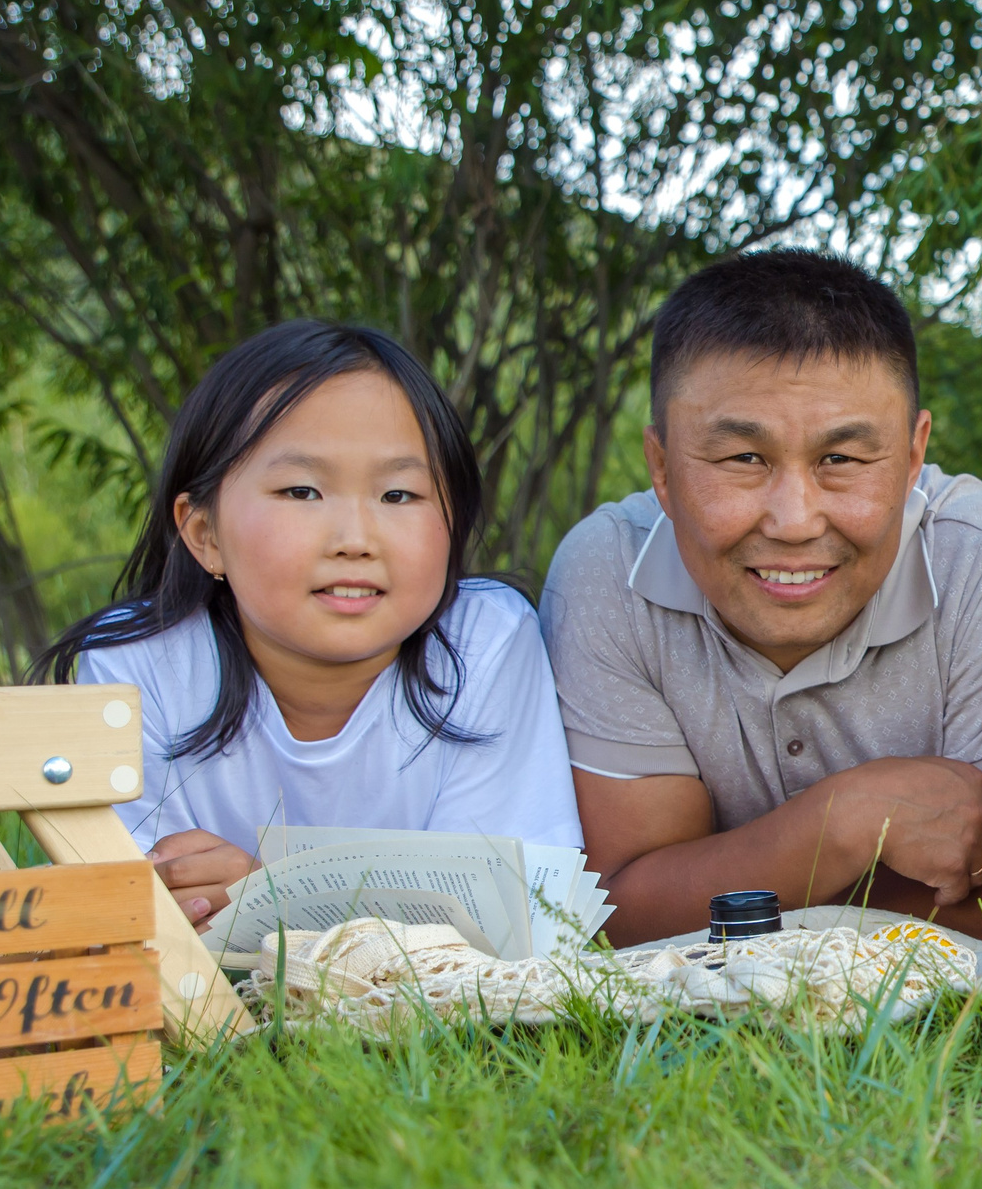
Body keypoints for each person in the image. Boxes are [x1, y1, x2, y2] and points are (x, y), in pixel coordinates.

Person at [541, 250, 982, 945]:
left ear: (912, 456)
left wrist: (719, 883)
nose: (794, 521)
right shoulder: (609, 570)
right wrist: (839, 824)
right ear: (661, 466)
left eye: (840, 459)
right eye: (743, 458)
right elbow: (622, 912)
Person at [35, 320, 580, 924]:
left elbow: (513, 918)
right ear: (204, 533)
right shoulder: (138, 669)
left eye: (398, 495)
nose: (355, 539)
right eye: (301, 492)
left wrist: (269, 901)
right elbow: (134, 920)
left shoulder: (485, 643)